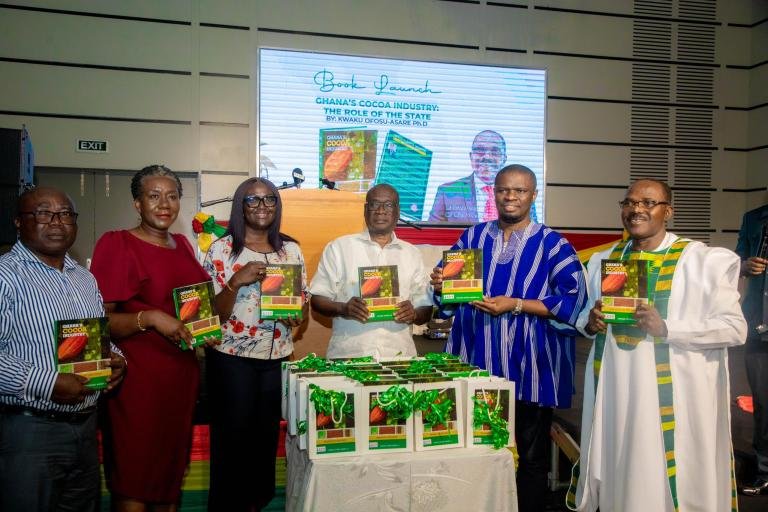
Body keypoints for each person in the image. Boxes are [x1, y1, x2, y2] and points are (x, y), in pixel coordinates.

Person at [569, 179, 747, 512]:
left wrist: (668, 328)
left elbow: (735, 329)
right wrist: (591, 323)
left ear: (668, 211)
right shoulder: (606, 261)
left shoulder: (702, 262)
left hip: (675, 402)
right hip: (618, 399)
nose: (637, 209)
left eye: (648, 203)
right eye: (629, 202)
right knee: (623, 474)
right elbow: (585, 319)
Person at [430, 164, 586, 512]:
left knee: (530, 458)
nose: (511, 196)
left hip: (530, 364)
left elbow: (574, 301)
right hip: (477, 360)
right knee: (475, 450)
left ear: (532, 195)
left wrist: (516, 304)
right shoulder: (472, 238)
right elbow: (448, 298)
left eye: (520, 191)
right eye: (503, 190)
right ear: (494, 193)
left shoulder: (553, 244)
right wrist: (441, 285)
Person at [90, 165, 215, 512]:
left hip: (180, 380)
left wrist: (205, 329)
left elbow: (194, 309)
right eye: (153, 195)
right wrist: (151, 318)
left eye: (172, 196)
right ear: (137, 203)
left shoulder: (184, 247)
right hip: (137, 382)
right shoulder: (118, 244)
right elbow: (99, 321)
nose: (164, 204)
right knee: (135, 478)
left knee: (169, 478)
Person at [0, 186, 125, 512]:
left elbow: (99, 336)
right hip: (28, 432)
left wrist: (116, 359)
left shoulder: (84, 279)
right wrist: (49, 383)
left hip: (84, 428)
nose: (57, 222)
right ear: (18, 221)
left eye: (66, 214)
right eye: (43, 213)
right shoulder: (5, 276)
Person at [202, 177, 308, 511]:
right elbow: (210, 314)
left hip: (276, 359)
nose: (262, 207)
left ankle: (255, 504)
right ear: (240, 206)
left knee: (264, 443)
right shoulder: (222, 249)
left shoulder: (290, 250)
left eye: (269, 200)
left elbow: (301, 304)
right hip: (231, 359)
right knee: (232, 442)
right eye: (253, 200)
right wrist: (236, 280)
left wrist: (297, 316)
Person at [310, 183, 433, 358]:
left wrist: (413, 313)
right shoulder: (339, 248)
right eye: (375, 204)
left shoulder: (412, 254)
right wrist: (343, 308)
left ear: (397, 211)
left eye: (388, 205)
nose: (381, 210)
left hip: (399, 356)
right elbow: (317, 300)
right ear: (366, 210)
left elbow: (425, 309)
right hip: (349, 355)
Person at [429, 130, 536, 224]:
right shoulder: (447, 191)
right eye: (480, 150)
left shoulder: (522, 193)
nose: (487, 157)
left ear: (504, 158)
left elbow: (530, 230)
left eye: (494, 151)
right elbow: (433, 233)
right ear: (471, 157)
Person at [736, 202, 768, 496]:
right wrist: (744, 266)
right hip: (758, 323)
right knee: (762, 403)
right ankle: (764, 471)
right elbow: (735, 262)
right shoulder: (753, 218)